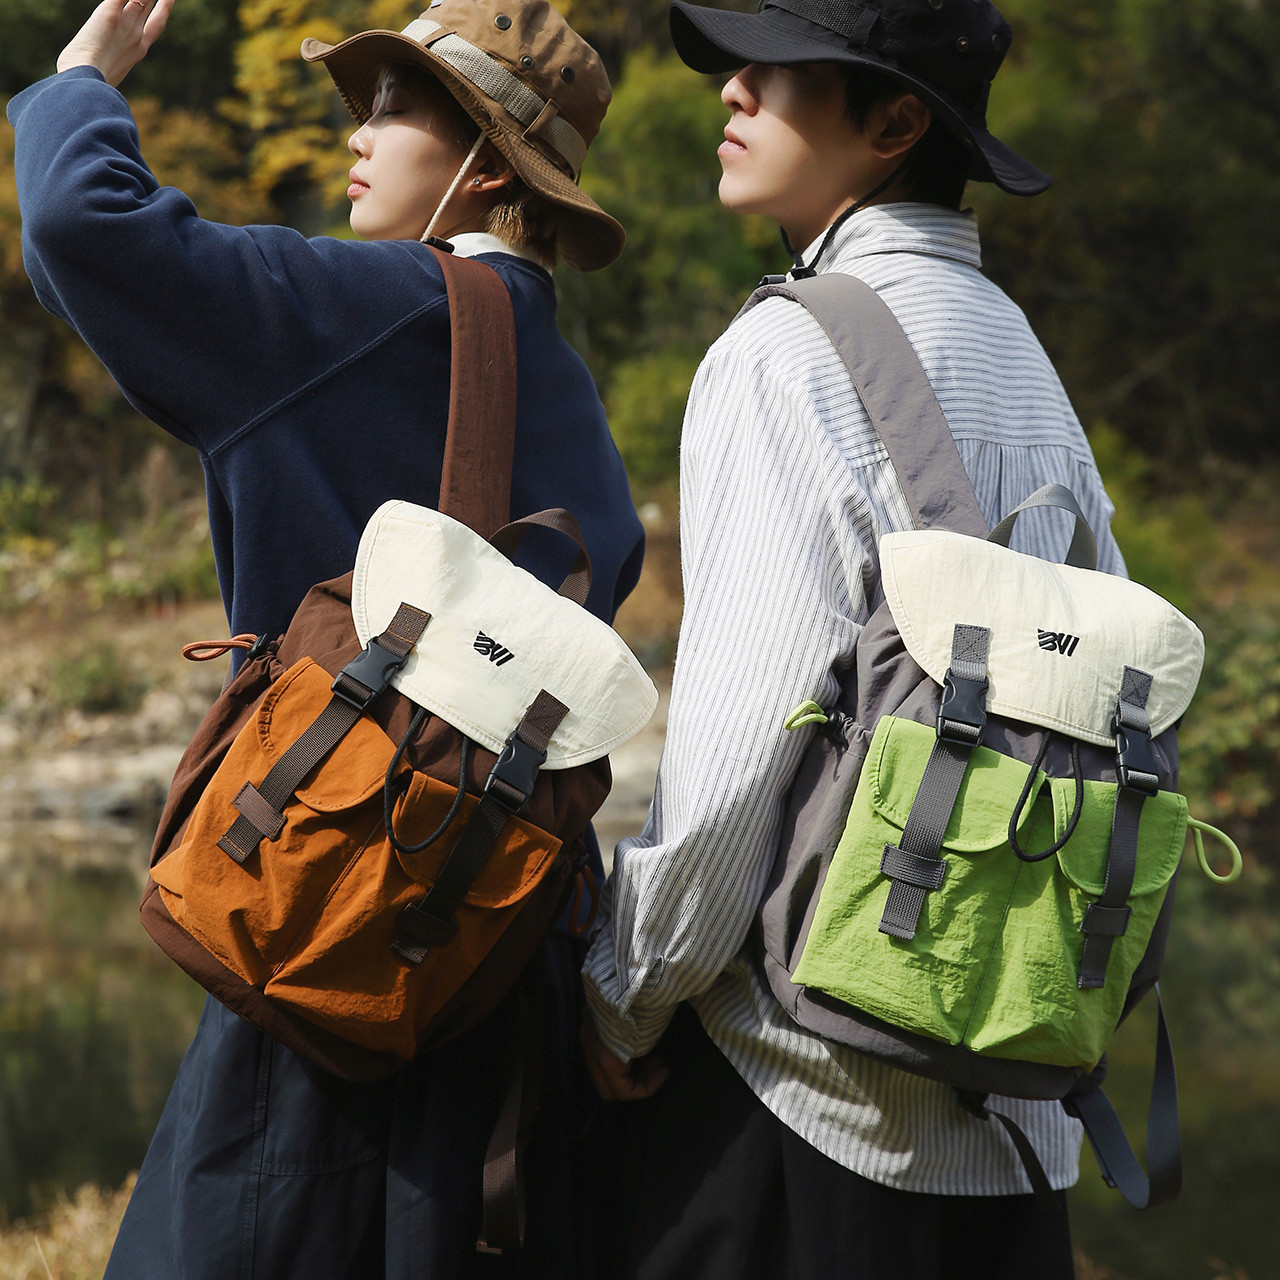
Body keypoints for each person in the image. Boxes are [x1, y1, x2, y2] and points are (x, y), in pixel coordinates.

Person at [9, 0, 643, 1275]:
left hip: (311, 930)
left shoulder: (358, 310)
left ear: (483, 154)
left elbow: (83, 221)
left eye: (400, 103)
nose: (361, 129)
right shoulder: (574, 400)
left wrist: (77, 83)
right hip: (497, 979)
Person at [580, 1, 1127, 1276]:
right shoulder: (1022, 356)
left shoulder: (785, 350)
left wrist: (624, 992)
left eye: (773, 73)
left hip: (801, 1095)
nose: (729, 93)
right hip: (1016, 1098)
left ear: (891, 123)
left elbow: (732, 756)